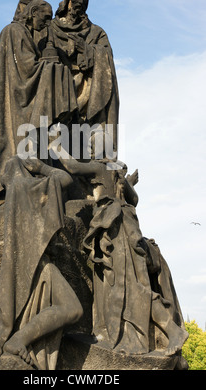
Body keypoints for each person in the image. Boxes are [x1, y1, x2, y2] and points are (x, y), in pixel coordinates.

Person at [56, 152, 188, 357]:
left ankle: (173, 331)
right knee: (132, 288)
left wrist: (53, 143)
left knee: (130, 289)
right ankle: (169, 331)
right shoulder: (116, 171)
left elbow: (71, 167)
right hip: (127, 228)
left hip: (117, 232)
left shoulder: (100, 168)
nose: (90, 152)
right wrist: (129, 183)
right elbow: (134, 199)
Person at [0, 0, 77, 214]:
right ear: (33, 16)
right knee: (18, 145)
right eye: (43, 21)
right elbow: (27, 68)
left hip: (21, 97)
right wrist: (53, 67)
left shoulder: (22, 27)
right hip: (17, 99)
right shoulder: (15, 31)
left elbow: (23, 15)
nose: (45, 26)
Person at [0, 156, 83, 370]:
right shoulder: (27, 187)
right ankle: (19, 340)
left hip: (30, 264)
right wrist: (43, 167)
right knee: (73, 308)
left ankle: (19, 339)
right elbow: (65, 179)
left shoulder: (13, 194)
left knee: (71, 308)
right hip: (38, 264)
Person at [50, 0, 120, 155]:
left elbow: (107, 57)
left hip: (87, 90)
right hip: (59, 86)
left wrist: (86, 49)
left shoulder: (96, 32)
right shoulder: (51, 28)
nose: (81, 1)